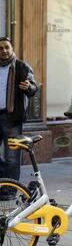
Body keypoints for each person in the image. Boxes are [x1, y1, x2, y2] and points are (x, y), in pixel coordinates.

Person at [0, 37, 38, 198]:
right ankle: (4, 181)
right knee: (8, 159)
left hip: (11, 117)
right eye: (0, 48)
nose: (4, 51)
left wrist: (29, 87)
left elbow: (34, 87)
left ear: (12, 48)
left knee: (12, 157)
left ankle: (9, 191)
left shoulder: (22, 66)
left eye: (6, 47)